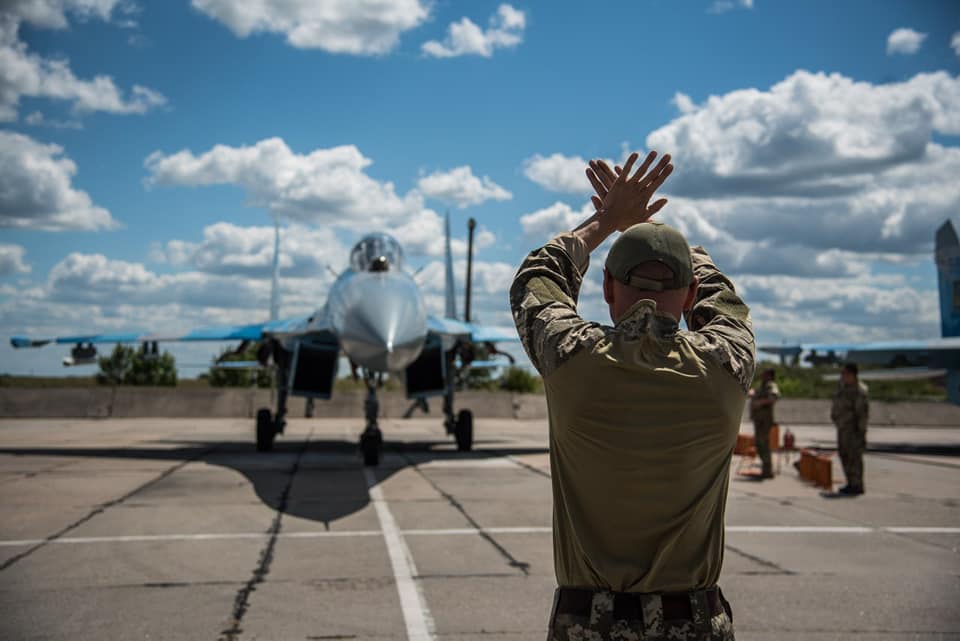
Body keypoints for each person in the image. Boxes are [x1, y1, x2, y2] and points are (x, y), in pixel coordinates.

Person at [510, 151, 755, 641]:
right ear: (688, 298)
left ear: (604, 287)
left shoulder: (572, 356)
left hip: (590, 625)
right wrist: (668, 238)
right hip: (698, 625)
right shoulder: (726, 363)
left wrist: (608, 220)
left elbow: (537, 278)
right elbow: (724, 303)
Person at [830, 363, 869, 496]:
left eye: (845, 374)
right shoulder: (843, 388)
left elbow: (862, 414)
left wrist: (861, 433)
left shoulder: (859, 391)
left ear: (853, 375)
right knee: (844, 455)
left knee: (855, 457)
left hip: (854, 430)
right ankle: (850, 482)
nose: (843, 376)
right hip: (842, 428)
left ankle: (857, 484)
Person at [748, 368, 779, 479]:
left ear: (769, 376)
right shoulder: (763, 386)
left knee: (763, 444)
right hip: (759, 420)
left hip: (764, 420)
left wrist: (760, 403)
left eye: (764, 374)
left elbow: (774, 397)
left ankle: (767, 471)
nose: (762, 376)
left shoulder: (770, 385)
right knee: (760, 444)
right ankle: (766, 469)